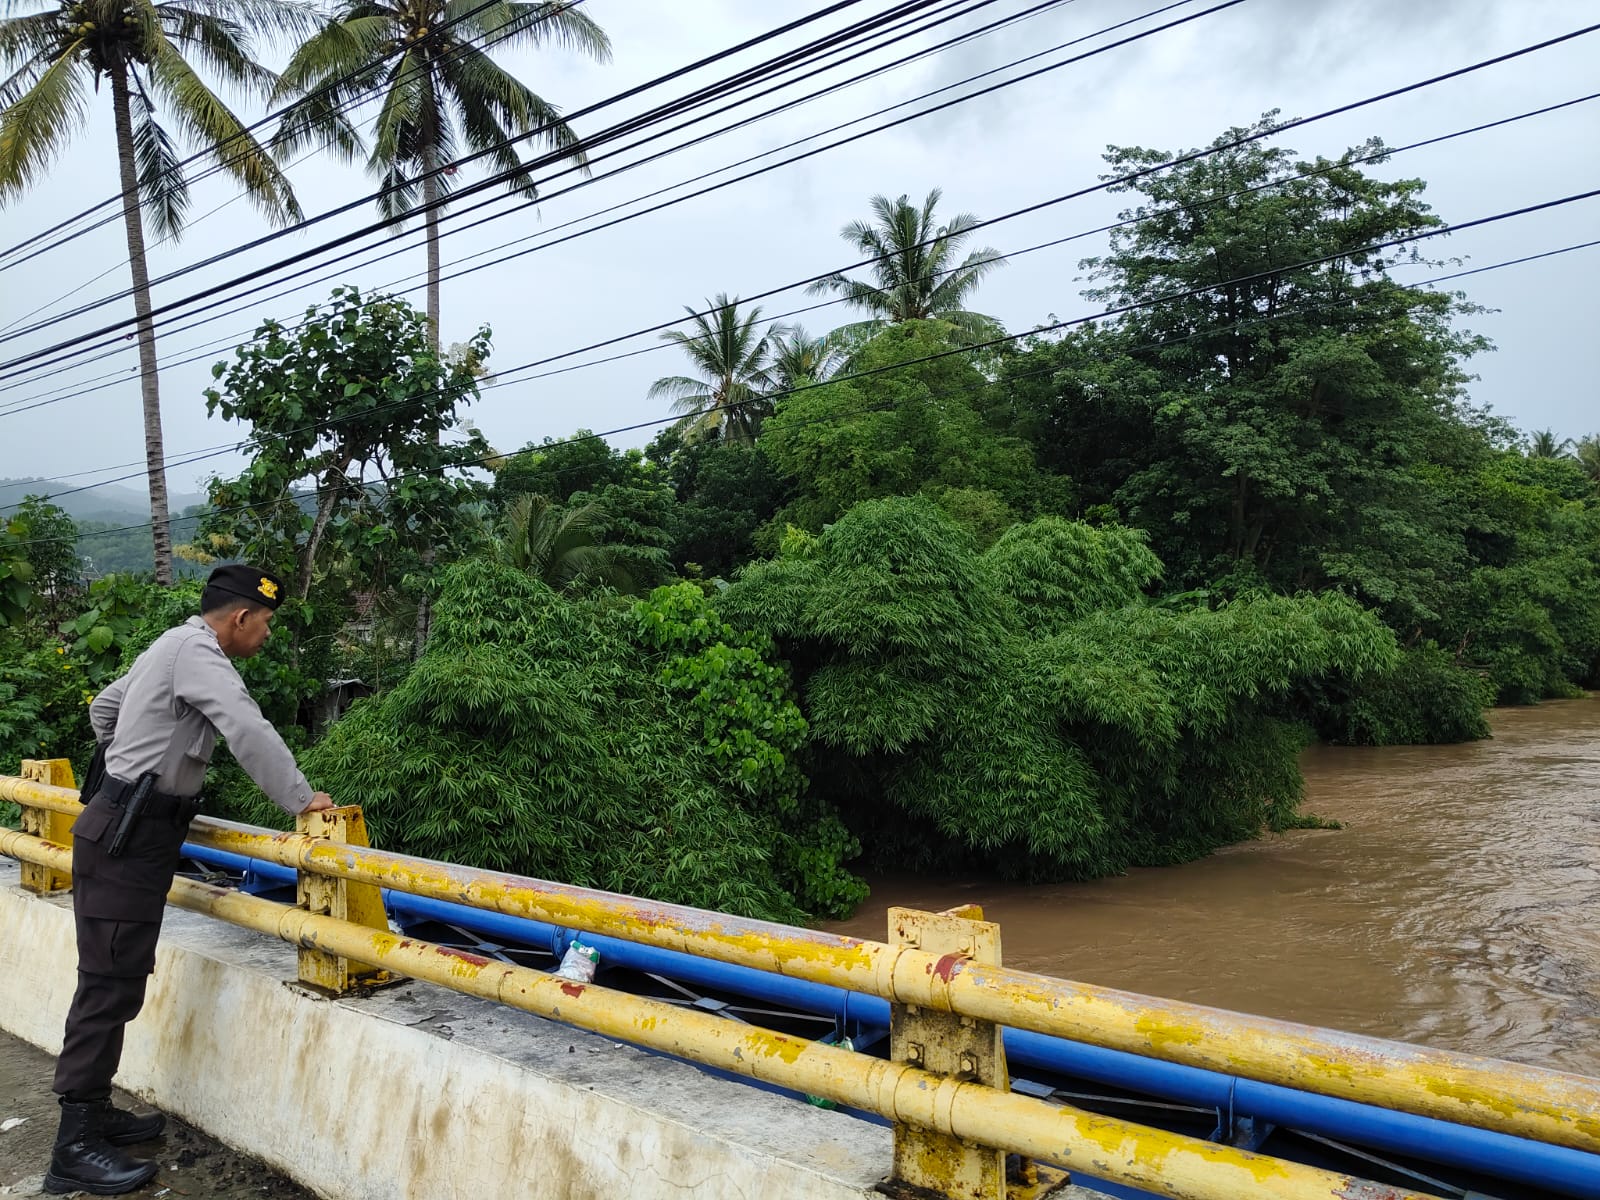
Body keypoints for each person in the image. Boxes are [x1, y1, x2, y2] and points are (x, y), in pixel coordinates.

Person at [44, 563, 335, 1196]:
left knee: (117, 978)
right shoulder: (202, 655)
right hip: (128, 835)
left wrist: (132, 765)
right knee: (107, 983)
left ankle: (94, 1116)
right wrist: (301, 798)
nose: (264, 637)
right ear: (239, 618)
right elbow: (246, 728)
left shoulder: (171, 643)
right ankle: (73, 1149)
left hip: (131, 828)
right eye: (264, 625)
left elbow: (105, 707)